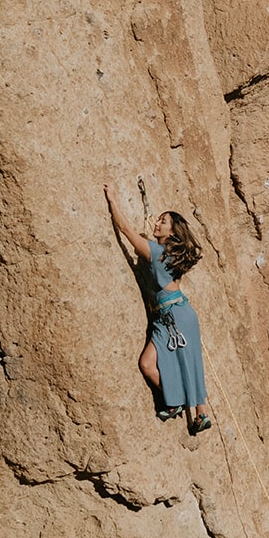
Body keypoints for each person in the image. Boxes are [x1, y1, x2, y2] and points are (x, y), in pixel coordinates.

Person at [104, 185, 213, 433]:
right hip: (176, 315)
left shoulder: (157, 252)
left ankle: (193, 410)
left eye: (163, 222)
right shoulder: (170, 255)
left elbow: (126, 230)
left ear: (173, 232)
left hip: (174, 316)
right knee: (180, 362)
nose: (157, 223)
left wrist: (113, 201)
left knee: (168, 362)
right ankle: (186, 406)